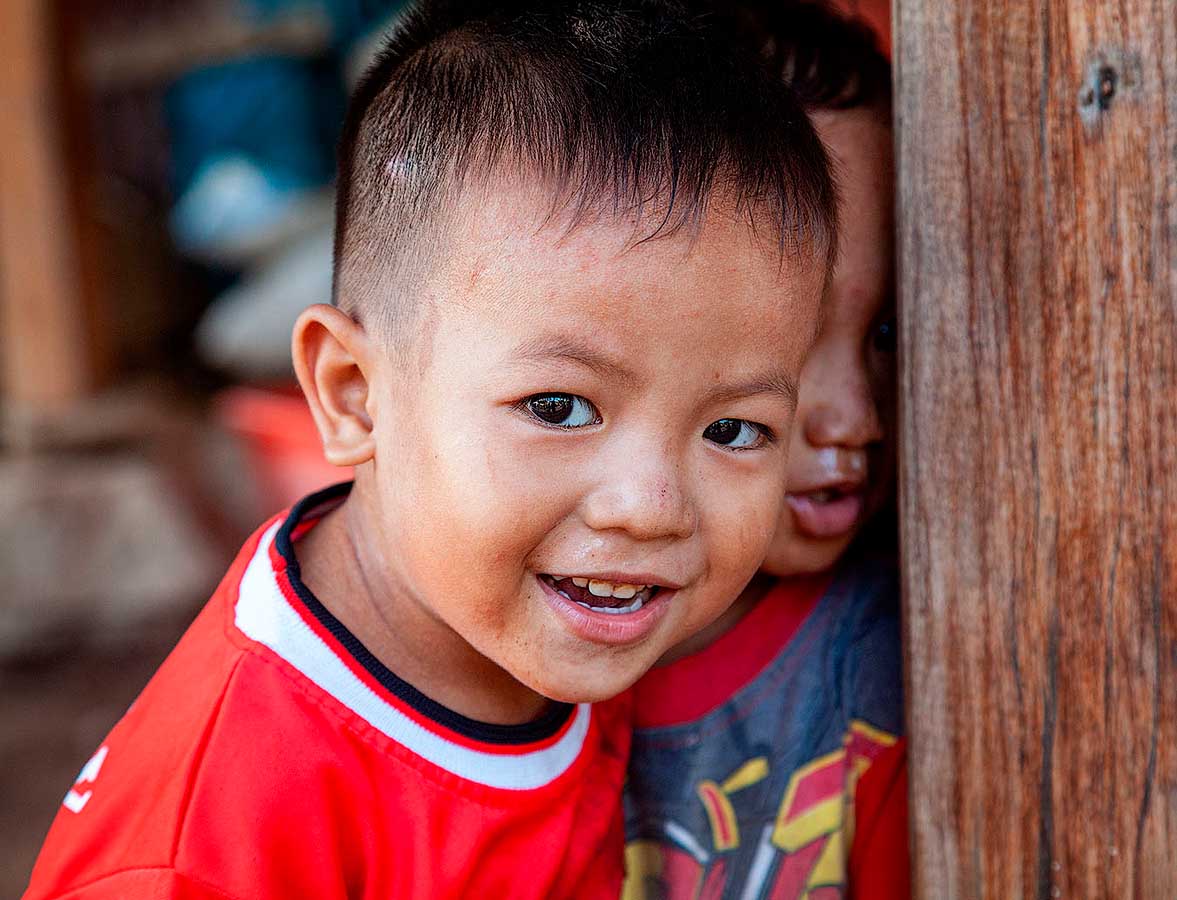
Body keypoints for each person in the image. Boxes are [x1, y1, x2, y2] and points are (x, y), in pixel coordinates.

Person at [22, 2, 839, 898]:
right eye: (559, 407)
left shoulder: (542, 610)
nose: (650, 506)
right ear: (354, 395)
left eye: (731, 431)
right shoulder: (220, 840)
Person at [622, 5, 906, 898]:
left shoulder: (894, 663)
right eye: (794, 337)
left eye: (887, 331)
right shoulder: (507, 644)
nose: (854, 418)